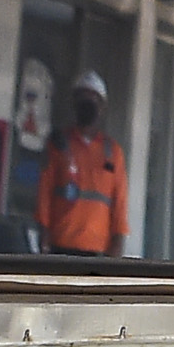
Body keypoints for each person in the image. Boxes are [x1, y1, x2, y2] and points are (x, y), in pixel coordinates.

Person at [38, 70, 128, 255]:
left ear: (102, 106)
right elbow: (44, 192)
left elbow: (119, 203)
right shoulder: (58, 145)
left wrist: (118, 242)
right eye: (83, 98)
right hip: (60, 244)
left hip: (97, 250)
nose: (88, 104)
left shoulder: (113, 152)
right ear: (74, 103)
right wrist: (43, 233)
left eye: (94, 99)